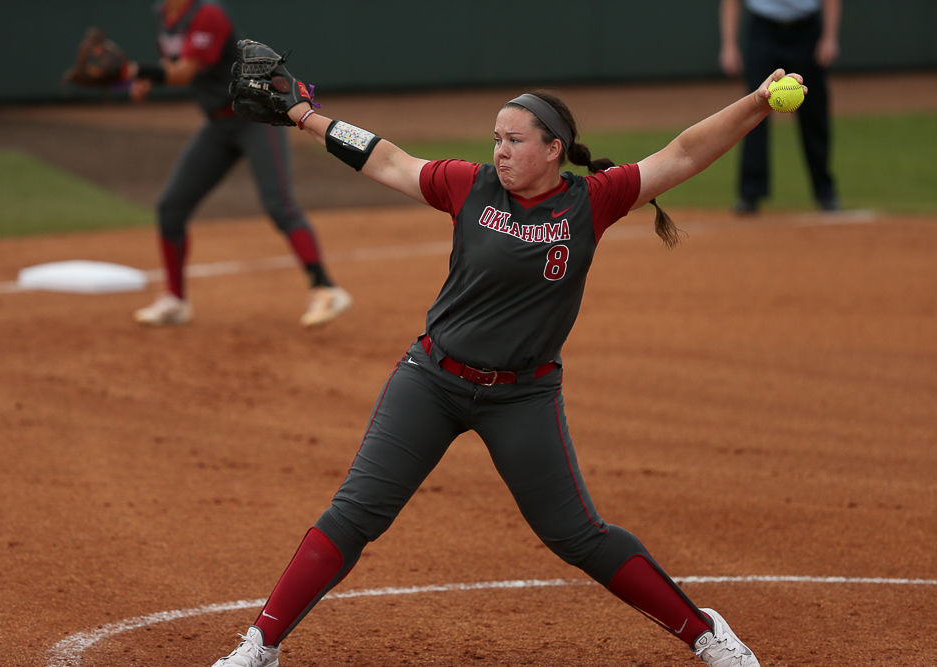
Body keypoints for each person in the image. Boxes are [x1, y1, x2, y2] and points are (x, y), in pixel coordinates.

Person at [210, 39, 792, 667]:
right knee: (354, 514)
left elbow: (682, 153)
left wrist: (756, 104)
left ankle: (704, 633)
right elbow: (388, 160)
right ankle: (260, 644)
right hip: (431, 379)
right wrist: (303, 113)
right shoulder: (471, 187)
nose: (501, 151)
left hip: (522, 396)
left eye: (515, 140)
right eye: (497, 138)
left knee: (577, 536)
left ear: (554, 150)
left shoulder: (590, 201)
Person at [124, 0, 351, 327]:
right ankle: (175, 300)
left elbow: (185, 71)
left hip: (254, 120)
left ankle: (326, 289)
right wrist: (148, 78)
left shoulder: (207, 14)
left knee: (279, 206)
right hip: (217, 126)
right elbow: (173, 62)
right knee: (171, 208)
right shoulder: (164, 14)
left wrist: (132, 71)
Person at [719, 0, 841, 214]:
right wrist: (729, 45)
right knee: (754, 111)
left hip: (807, 30)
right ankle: (750, 192)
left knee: (815, 114)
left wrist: (830, 37)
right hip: (763, 30)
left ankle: (825, 190)